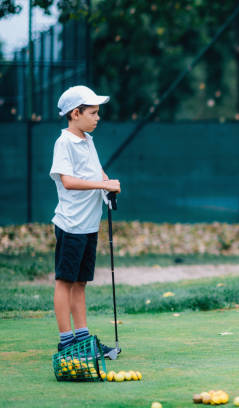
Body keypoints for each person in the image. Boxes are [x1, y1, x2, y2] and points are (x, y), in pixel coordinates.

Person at [50, 85, 122, 357]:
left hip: (89, 224)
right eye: (92, 113)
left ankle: (82, 340)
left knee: (80, 283)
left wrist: (107, 185)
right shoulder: (65, 142)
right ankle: (66, 342)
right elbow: (67, 181)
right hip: (71, 225)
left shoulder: (88, 140)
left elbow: (96, 171)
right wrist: (99, 183)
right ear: (75, 113)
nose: (97, 117)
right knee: (64, 281)